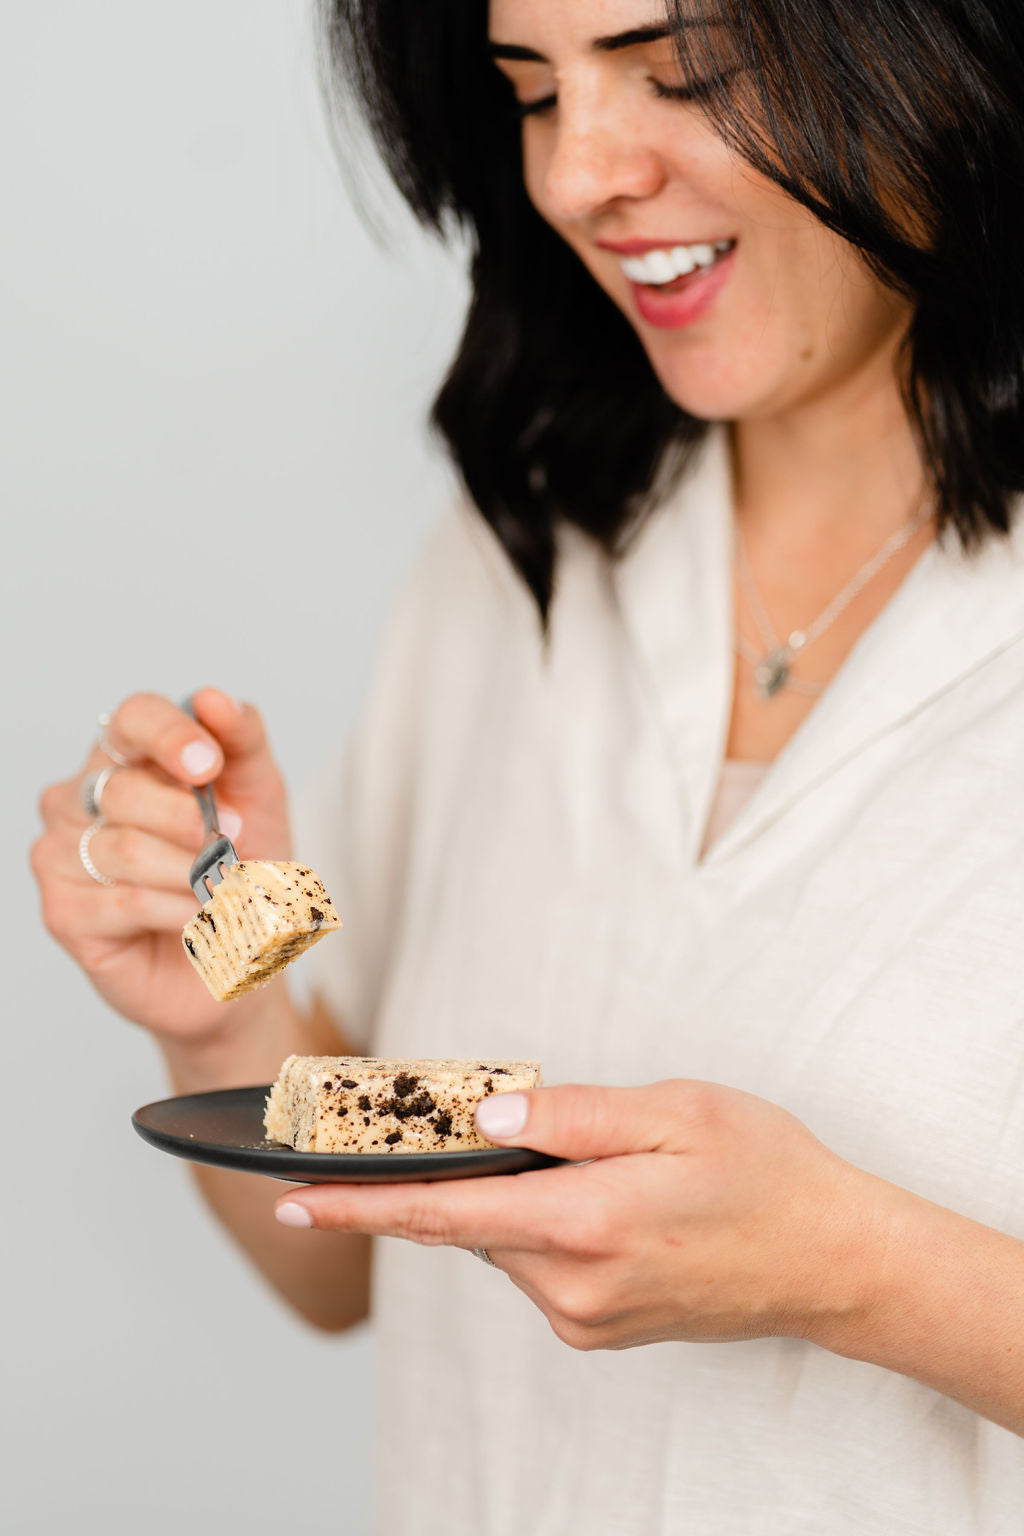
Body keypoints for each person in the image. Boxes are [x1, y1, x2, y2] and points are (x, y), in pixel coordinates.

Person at [32, 0, 1024, 1530]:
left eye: (681, 71)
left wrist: (860, 1269)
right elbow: (347, 1259)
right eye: (530, 92)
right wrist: (224, 1015)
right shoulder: (531, 548)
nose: (575, 175)